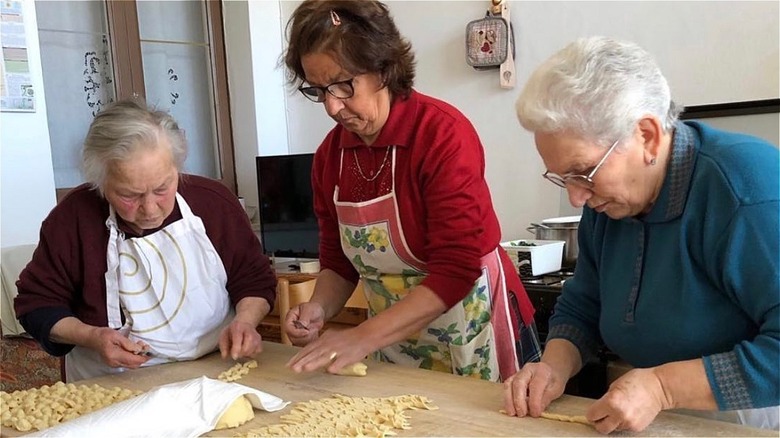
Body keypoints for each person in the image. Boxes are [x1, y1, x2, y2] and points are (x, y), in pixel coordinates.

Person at [503, 36, 779, 432]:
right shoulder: (611, 200)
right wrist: (552, 367)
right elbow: (583, 307)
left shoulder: (745, 189)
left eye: (583, 172)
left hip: (751, 416)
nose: (576, 197)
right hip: (649, 407)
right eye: (562, 177)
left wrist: (662, 388)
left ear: (646, 135)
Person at [281, 0, 540, 383]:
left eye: (343, 85)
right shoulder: (329, 157)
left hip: (472, 327)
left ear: (383, 69)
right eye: (318, 90)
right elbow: (338, 262)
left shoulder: (441, 135)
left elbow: (455, 270)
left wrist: (362, 336)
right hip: (391, 342)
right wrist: (319, 307)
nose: (332, 107)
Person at [14, 99, 277, 382]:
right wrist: (92, 336)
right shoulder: (73, 219)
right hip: (110, 382)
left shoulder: (213, 204)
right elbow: (37, 305)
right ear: (101, 184)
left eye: (162, 188)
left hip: (217, 370)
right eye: (130, 195)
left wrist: (245, 321)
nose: (151, 209)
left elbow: (253, 278)